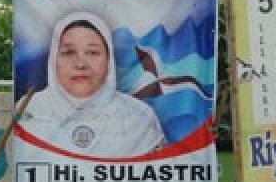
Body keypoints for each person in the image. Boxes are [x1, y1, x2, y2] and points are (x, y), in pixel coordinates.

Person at [18, 12, 166, 157]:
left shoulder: (139, 116)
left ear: (109, 61)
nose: (80, 64)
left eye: (92, 52)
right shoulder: (27, 111)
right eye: (69, 52)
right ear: (53, 60)